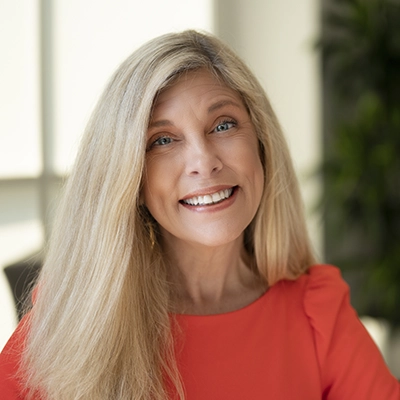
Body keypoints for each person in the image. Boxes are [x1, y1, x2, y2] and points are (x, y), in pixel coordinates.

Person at [0, 30, 399, 400]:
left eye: (223, 125)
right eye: (163, 140)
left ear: (261, 143)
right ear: (131, 179)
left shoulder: (316, 310)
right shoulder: (77, 313)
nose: (203, 162)